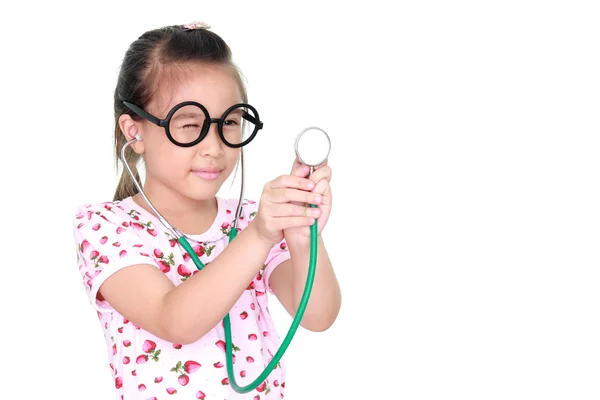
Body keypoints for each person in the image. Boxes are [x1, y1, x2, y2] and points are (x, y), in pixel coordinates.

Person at [71, 22, 341, 399]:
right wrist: (261, 235)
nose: (214, 147)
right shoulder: (106, 226)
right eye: (189, 124)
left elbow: (317, 315)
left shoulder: (248, 219)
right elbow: (175, 320)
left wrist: (301, 237)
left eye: (229, 123)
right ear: (135, 132)